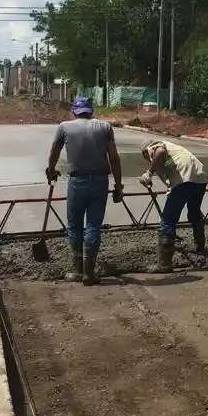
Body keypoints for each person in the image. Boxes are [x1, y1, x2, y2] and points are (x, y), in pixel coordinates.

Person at [46, 96, 123, 285]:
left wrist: (51, 171)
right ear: (91, 111)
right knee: (93, 226)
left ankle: (78, 271)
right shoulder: (105, 127)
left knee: (74, 226)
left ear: (74, 111)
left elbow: (54, 152)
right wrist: (118, 185)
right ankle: (89, 273)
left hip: (77, 181)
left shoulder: (64, 127)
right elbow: (114, 158)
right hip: (100, 181)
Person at [138, 138, 208, 273]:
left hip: (186, 178)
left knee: (168, 220)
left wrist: (149, 173)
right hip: (200, 178)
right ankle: (201, 250)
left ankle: (164, 265)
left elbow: (160, 151)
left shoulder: (153, 147)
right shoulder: (172, 149)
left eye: (146, 158)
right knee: (194, 214)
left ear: (145, 153)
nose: (148, 160)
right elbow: (171, 174)